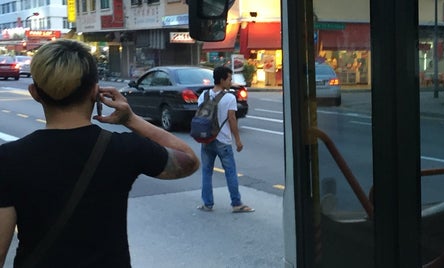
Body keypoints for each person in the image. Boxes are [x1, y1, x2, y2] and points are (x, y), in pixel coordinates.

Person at [0, 39, 200, 267]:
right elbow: (189, 161)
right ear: (95, 91)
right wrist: (132, 119)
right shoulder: (123, 149)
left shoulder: (9, 159)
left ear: (35, 93)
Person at [197, 66, 254, 213]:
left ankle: (207, 203)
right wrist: (238, 140)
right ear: (222, 80)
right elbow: (232, 119)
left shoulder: (203, 95)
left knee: (206, 172)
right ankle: (236, 203)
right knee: (230, 172)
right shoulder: (229, 97)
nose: (231, 81)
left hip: (207, 139)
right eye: (229, 79)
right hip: (223, 141)